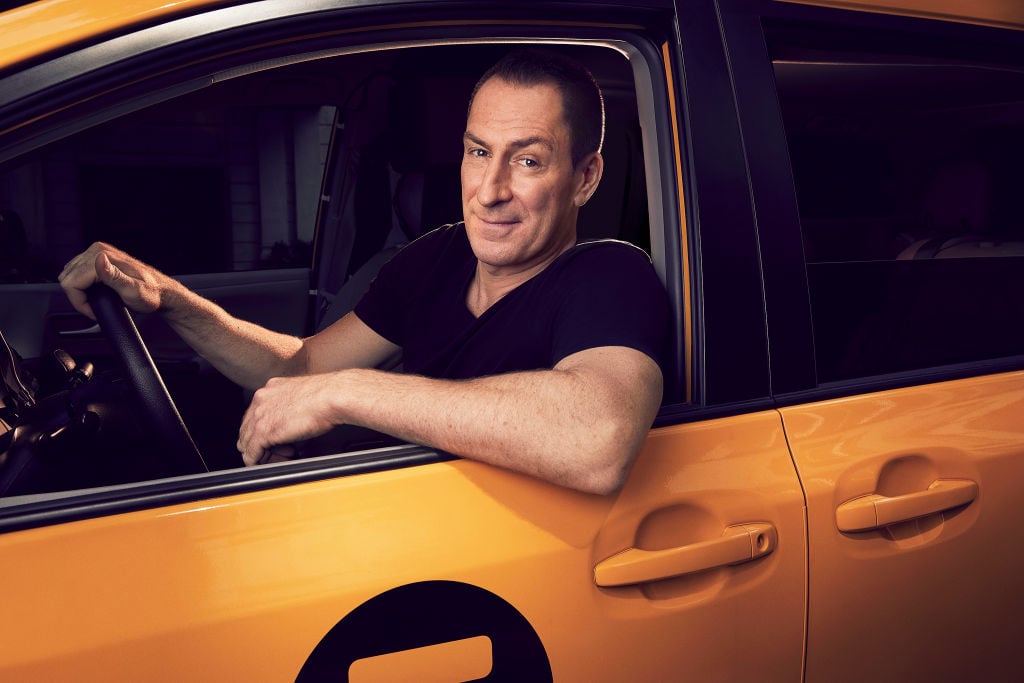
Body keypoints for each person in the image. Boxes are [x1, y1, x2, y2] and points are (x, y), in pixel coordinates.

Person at [58, 49, 670, 495]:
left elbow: (598, 440)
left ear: (585, 178)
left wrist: (347, 394)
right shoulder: (435, 258)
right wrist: (168, 299)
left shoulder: (609, 276)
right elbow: (302, 367)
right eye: (479, 152)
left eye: (528, 161)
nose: (489, 191)